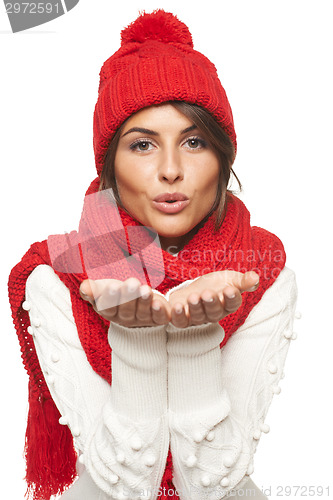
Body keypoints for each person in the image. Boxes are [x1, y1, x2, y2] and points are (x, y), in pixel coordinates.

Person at [8, 9, 298, 500]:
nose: (170, 169)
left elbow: (213, 484)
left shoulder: (262, 269)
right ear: (109, 165)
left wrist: (194, 338)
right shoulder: (54, 279)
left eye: (194, 141)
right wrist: (137, 339)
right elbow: (124, 485)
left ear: (223, 158)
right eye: (142, 145)